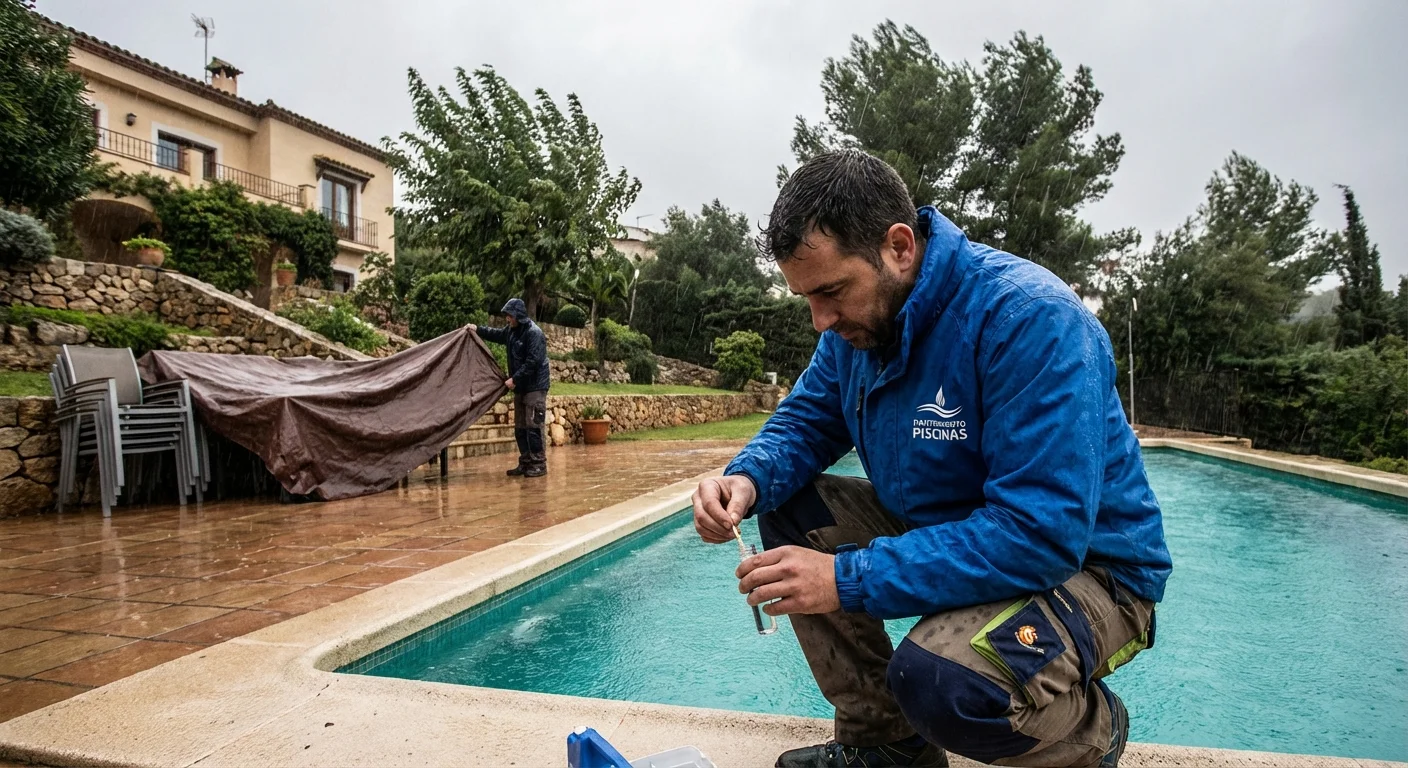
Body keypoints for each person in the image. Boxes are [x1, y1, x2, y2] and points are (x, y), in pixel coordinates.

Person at [691, 151, 1171, 768]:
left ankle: (1091, 732)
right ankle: (886, 746)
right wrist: (747, 478)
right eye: (807, 298)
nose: (820, 320)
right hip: (956, 530)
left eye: (832, 291)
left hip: (1090, 570)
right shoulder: (857, 333)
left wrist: (844, 579)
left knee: (943, 682)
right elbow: (808, 419)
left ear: (898, 247)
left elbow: (1040, 535)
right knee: (791, 507)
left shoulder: (1030, 319)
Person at [467, 299, 551, 478]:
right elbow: (496, 334)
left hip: (535, 386)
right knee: (520, 427)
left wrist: (515, 378)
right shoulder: (512, 331)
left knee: (533, 425)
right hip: (521, 387)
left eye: (510, 315)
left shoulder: (533, 333)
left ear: (518, 315)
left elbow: (533, 362)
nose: (507, 319)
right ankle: (526, 462)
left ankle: (539, 464)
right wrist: (478, 329)